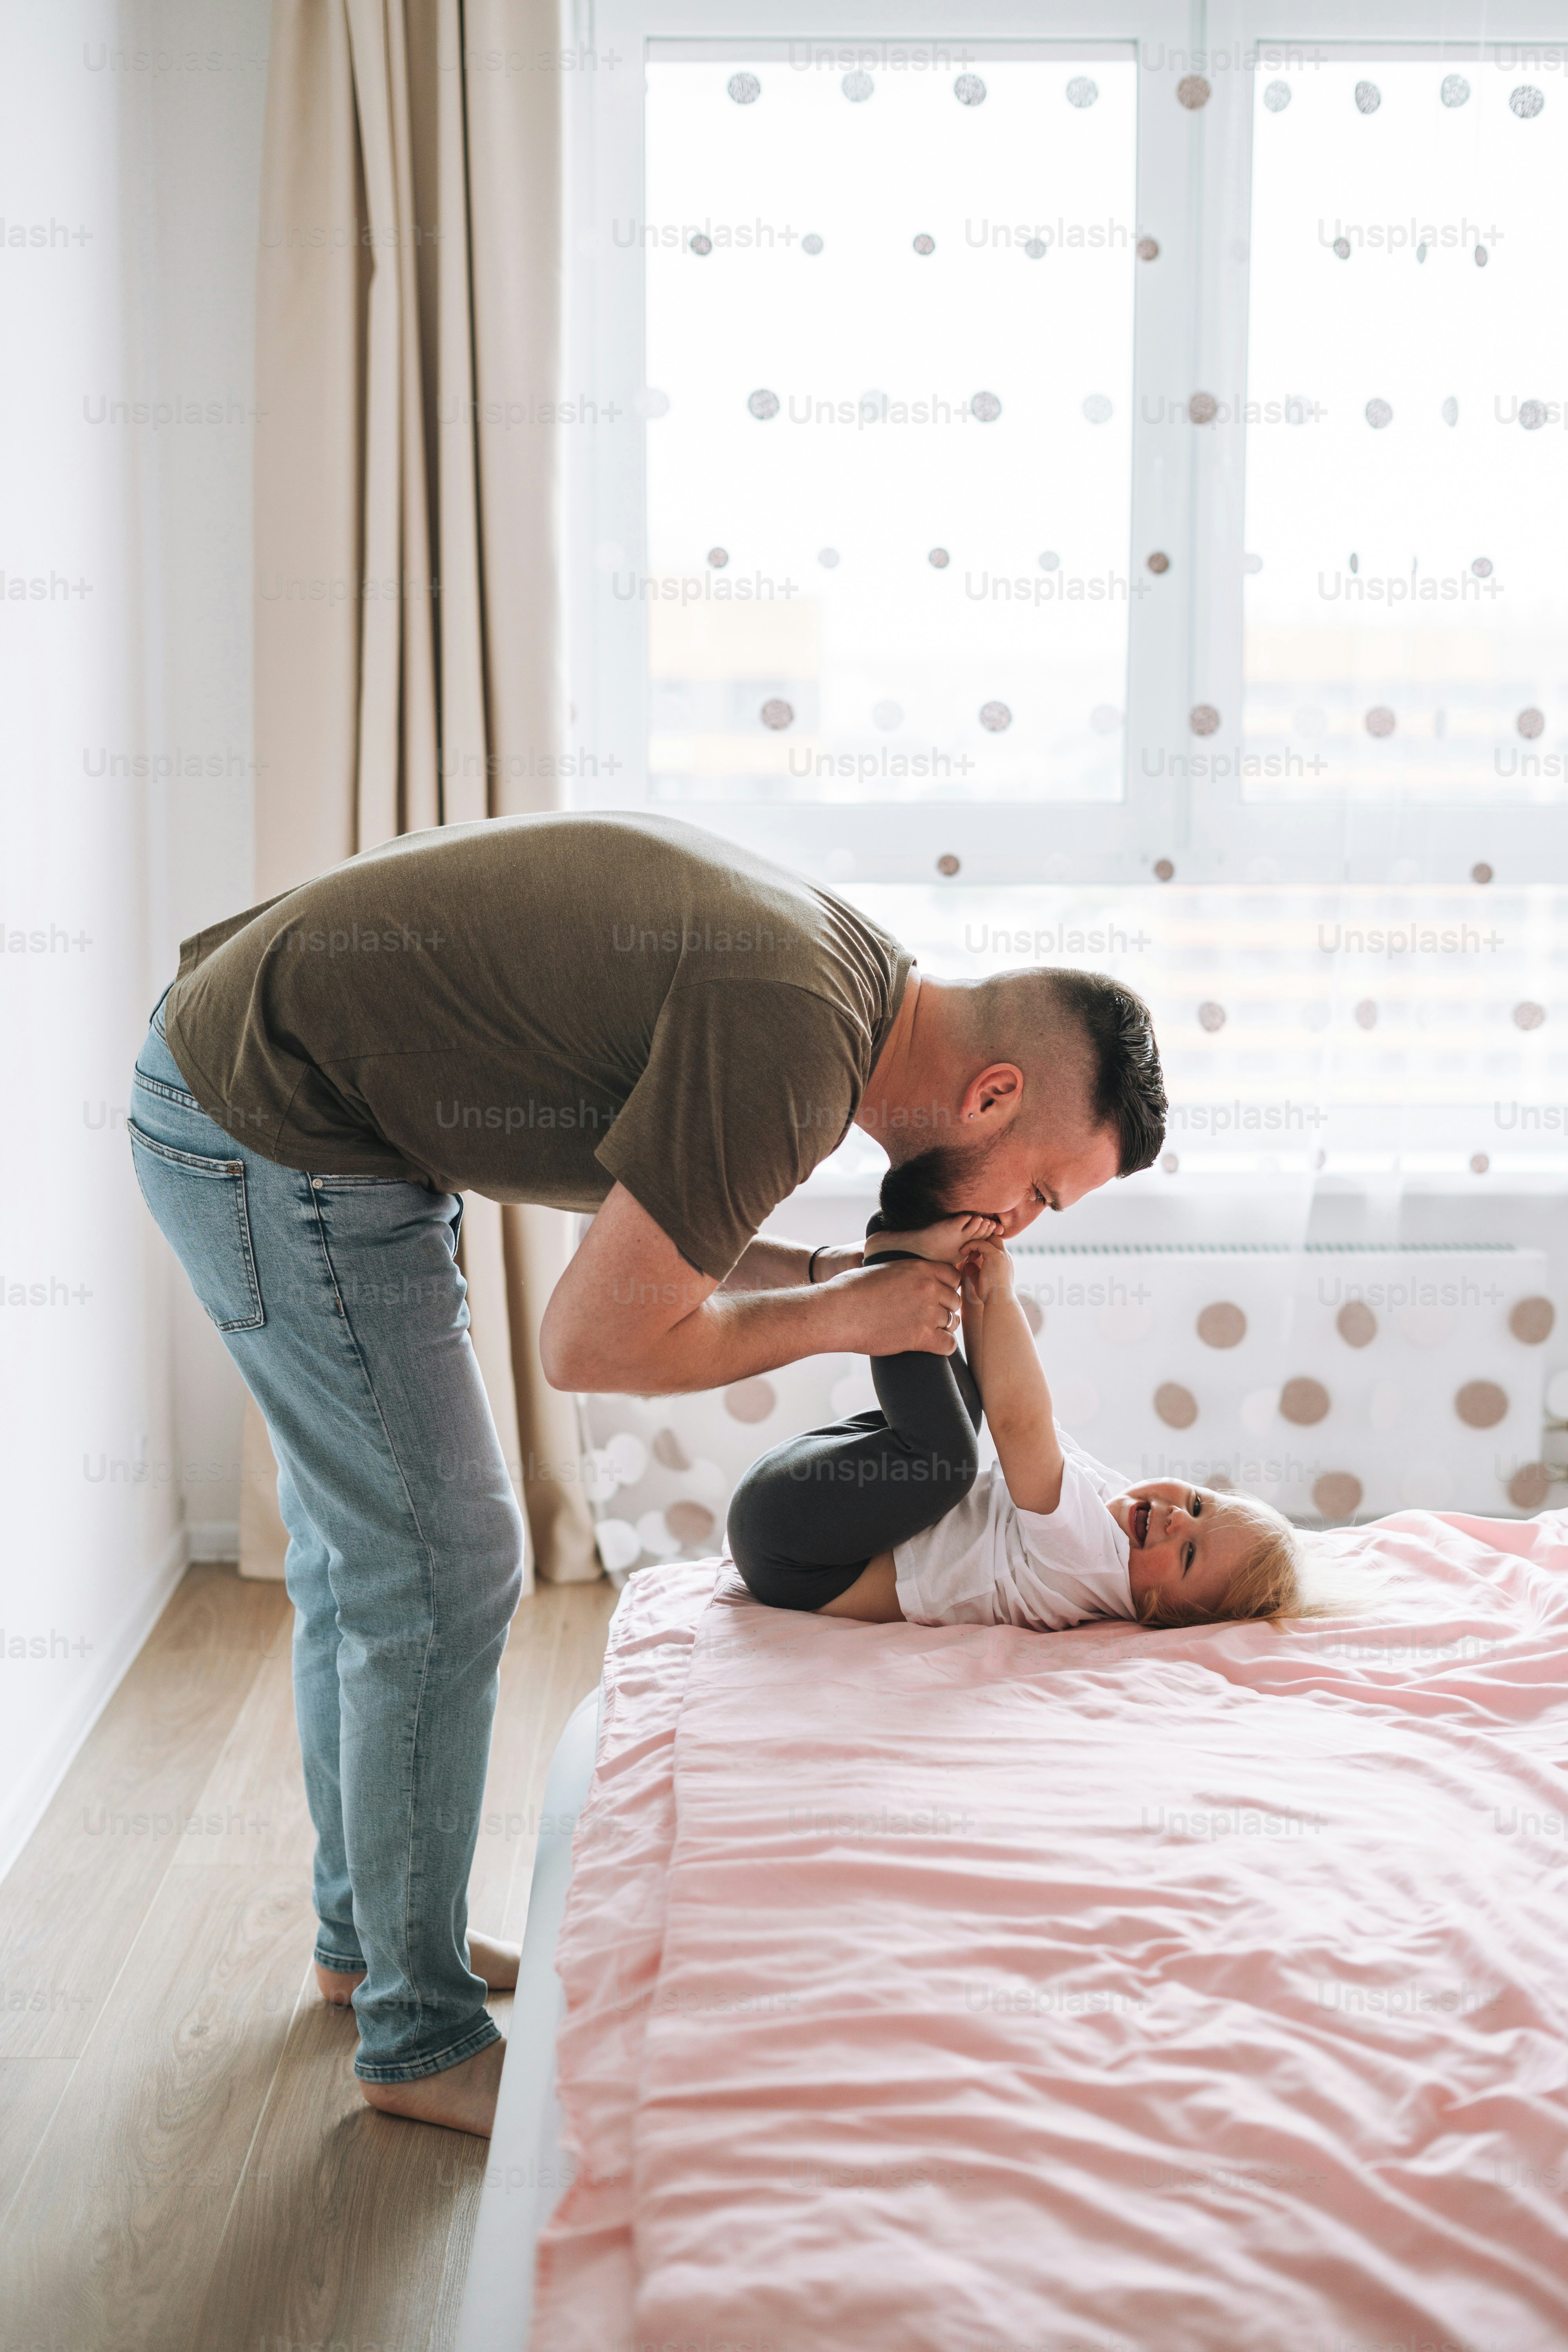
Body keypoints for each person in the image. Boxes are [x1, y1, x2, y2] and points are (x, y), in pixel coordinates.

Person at [127, 809, 1167, 2136]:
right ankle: (418, 2037)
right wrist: (845, 1321)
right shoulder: (795, 1044)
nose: (1017, 1227)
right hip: (270, 1126)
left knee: (370, 1552)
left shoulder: (847, 991)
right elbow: (592, 1341)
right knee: (443, 1563)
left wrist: (819, 1277)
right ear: (995, 1096)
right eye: (1042, 1195)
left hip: (281, 1098)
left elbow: (665, 1217)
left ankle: (372, 1950)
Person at [728, 1206, 1324, 1633]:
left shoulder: (1093, 1561)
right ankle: (907, 1270)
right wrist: (979, 1279)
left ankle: (893, 1267)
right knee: (961, 1420)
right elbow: (1005, 1399)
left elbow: (1022, 1425)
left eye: (1189, 1556)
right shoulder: (1110, 1516)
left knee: (948, 1463)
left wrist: (1003, 1292)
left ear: (1163, 1616)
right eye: (1198, 1505)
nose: (1173, 1519)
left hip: (800, 1556)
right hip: (794, 1513)